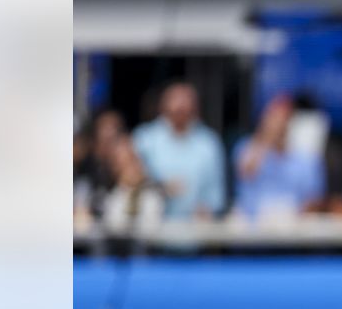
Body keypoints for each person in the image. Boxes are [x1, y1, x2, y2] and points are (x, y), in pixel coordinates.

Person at [132, 82, 226, 220]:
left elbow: (216, 196)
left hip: (194, 233)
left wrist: (208, 209)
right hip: (150, 231)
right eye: (175, 101)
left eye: (186, 102)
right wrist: (161, 189)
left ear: (195, 107)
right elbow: (130, 182)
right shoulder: (143, 139)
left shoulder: (209, 143)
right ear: (163, 105)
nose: (180, 107)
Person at [232, 95, 326, 222]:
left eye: (285, 118)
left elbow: (314, 201)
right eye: (273, 117)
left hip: (294, 232)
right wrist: (266, 139)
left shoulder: (308, 159)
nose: (279, 124)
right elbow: (245, 172)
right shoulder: (246, 148)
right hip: (253, 231)